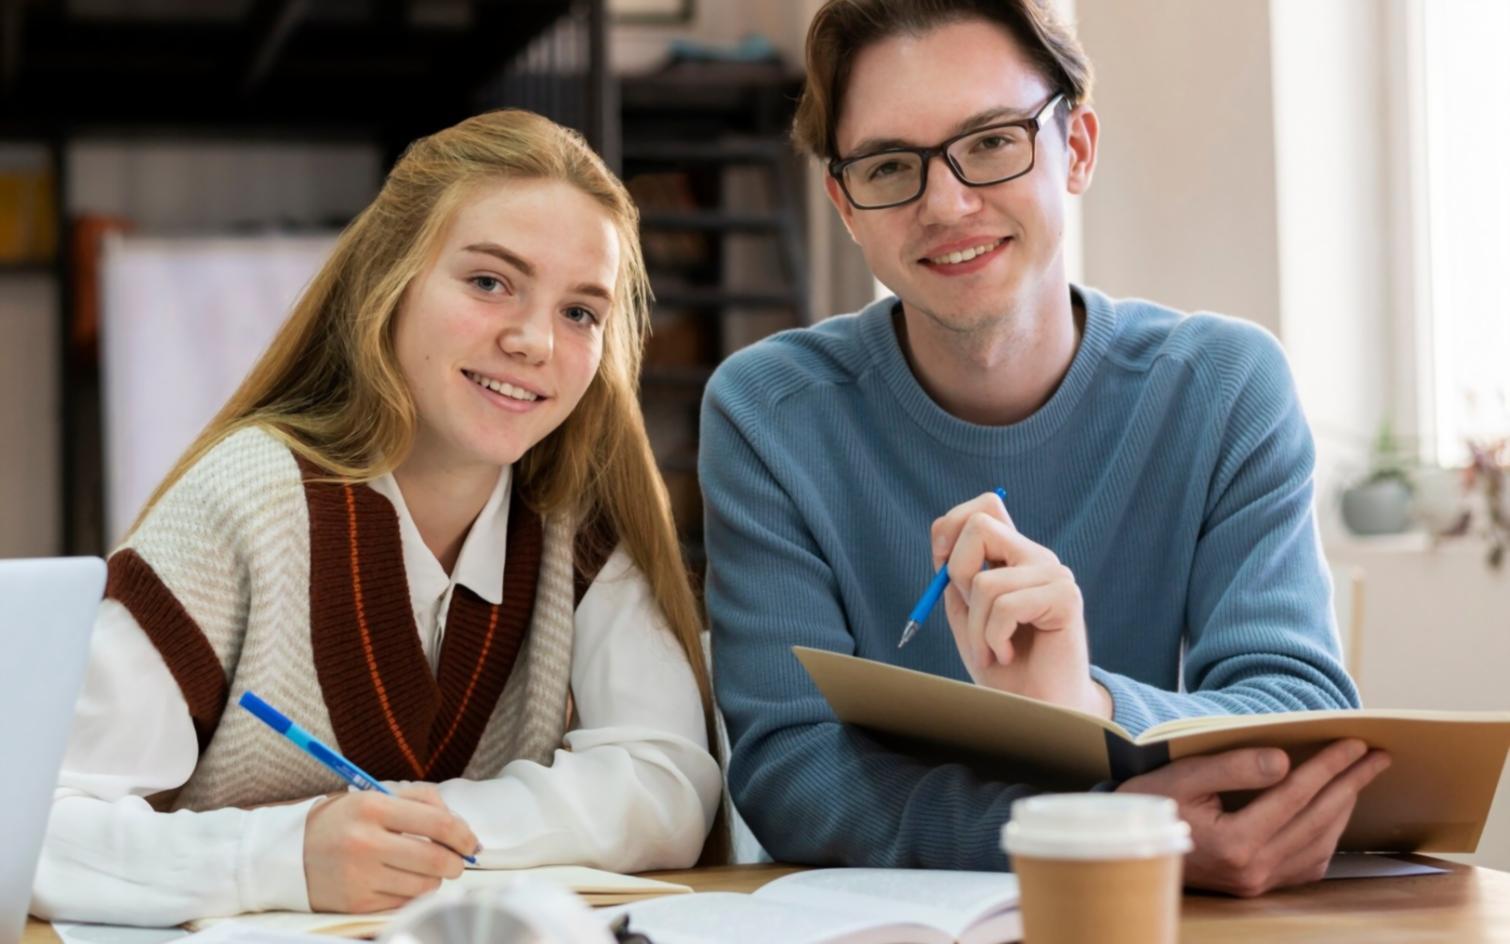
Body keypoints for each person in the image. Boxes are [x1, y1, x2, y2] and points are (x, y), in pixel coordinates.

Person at [701, 0, 1390, 897]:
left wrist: (1082, 705)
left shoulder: (1224, 384)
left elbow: (1299, 713)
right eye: (888, 166)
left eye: (991, 142)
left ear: (1077, 148)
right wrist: (1108, 828)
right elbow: (790, 771)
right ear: (845, 203)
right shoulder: (766, 413)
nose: (945, 203)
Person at [32, 109, 722, 926]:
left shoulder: (576, 513)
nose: (535, 340)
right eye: (489, 281)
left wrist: (415, 834)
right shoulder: (245, 500)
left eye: (580, 312)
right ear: (386, 281)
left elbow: (666, 783)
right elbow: (36, 823)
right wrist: (285, 857)